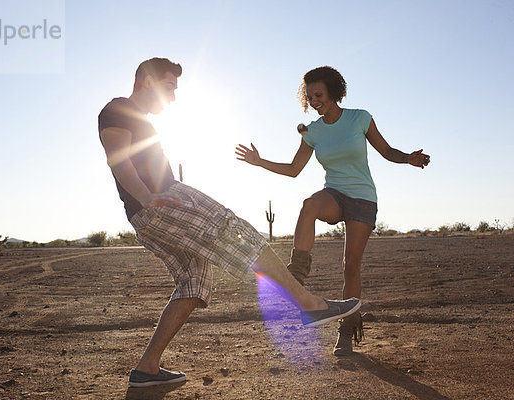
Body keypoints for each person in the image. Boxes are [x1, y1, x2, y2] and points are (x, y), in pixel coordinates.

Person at [98, 58, 362, 387]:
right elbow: (118, 156)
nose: (173, 98)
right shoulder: (119, 109)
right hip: (162, 199)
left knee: (194, 283)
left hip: (150, 208)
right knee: (234, 230)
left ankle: (147, 367)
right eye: (169, 88)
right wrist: (145, 194)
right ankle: (307, 304)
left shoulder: (138, 119)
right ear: (147, 82)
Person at [235, 66, 430, 356]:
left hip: (363, 198)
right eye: (310, 97)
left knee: (350, 266)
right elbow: (293, 170)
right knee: (309, 205)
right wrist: (259, 161)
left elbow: (386, 151)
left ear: (334, 93)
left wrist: (408, 159)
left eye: (319, 95)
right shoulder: (313, 132)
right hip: (335, 195)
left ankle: (347, 330)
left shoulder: (359, 118)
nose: (314, 102)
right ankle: (297, 274)